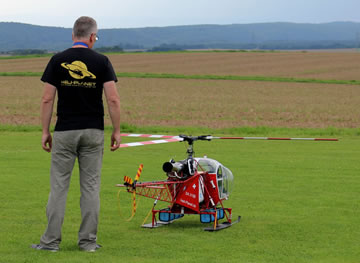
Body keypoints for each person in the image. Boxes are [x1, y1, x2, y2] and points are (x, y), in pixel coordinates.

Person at [31, 16, 121, 252]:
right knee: (90, 188)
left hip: (64, 131)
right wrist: (117, 130)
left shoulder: (57, 60)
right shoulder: (102, 61)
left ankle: (50, 242)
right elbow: (112, 98)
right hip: (93, 131)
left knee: (59, 187)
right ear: (92, 37)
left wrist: (44, 131)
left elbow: (47, 98)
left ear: (73, 35)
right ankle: (88, 243)